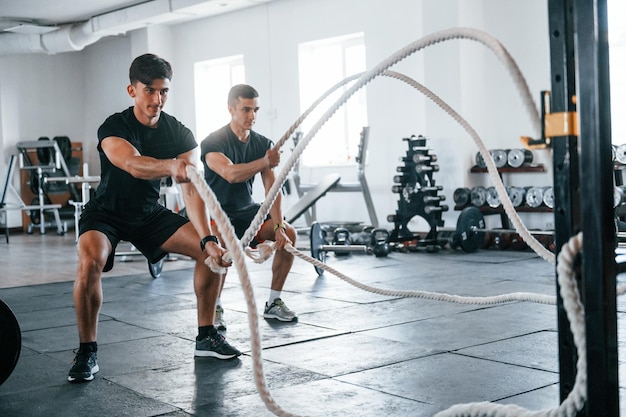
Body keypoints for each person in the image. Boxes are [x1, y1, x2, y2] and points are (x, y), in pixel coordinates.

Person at [68, 53, 241, 383]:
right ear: (132, 90)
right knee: (90, 260)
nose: (156, 100)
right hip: (106, 213)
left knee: (212, 253)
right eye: (149, 91)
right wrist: (170, 165)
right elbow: (132, 164)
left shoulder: (178, 132)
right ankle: (87, 352)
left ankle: (207, 336)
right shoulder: (114, 126)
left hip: (149, 215)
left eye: (163, 92)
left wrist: (207, 239)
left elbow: (190, 191)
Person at [200, 84, 298, 328]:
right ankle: (216, 307)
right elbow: (230, 174)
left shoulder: (263, 143)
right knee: (223, 243)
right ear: (231, 109)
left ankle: (274, 302)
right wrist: (264, 161)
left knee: (290, 234)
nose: (252, 116)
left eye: (255, 110)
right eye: (245, 109)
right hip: (217, 214)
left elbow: (272, 191)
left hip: (247, 213)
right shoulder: (213, 142)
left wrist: (277, 226)